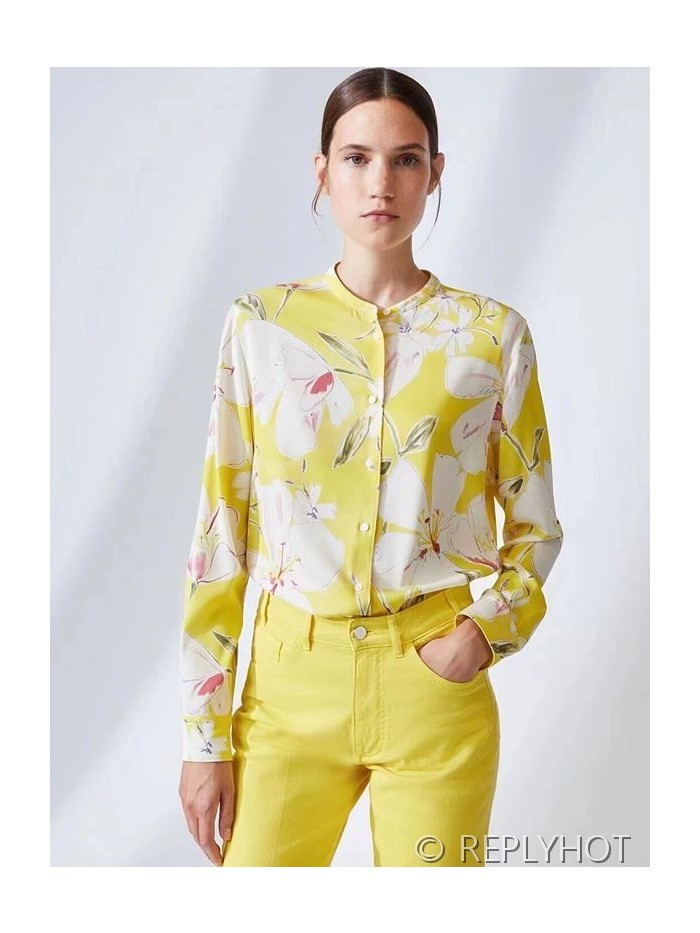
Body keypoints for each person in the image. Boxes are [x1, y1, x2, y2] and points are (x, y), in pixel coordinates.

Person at [178, 67, 564, 868]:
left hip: (433, 686)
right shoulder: (261, 326)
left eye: (405, 159)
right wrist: (203, 734)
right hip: (287, 686)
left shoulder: (490, 336)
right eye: (356, 158)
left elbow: (535, 528)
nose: (380, 182)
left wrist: (482, 635)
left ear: (435, 172)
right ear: (322, 172)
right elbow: (221, 532)